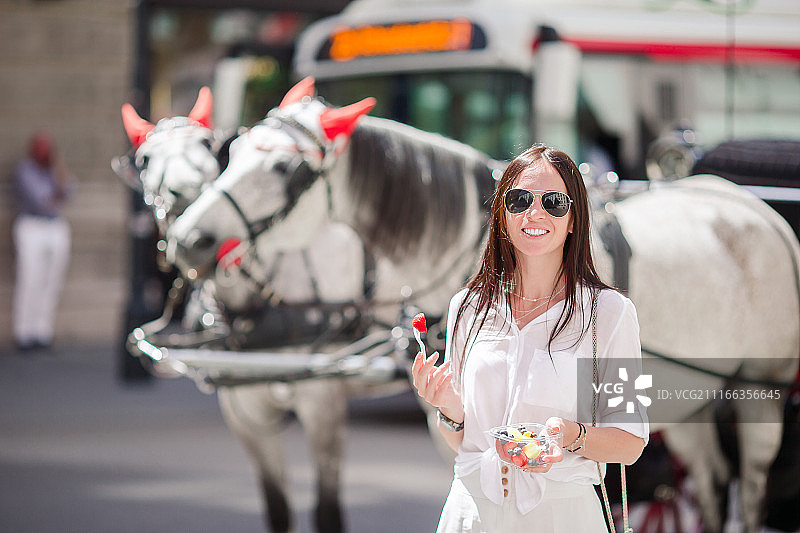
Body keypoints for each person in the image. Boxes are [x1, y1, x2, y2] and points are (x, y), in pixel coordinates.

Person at [411, 144, 648, 532]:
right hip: (471, 514)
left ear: (574, 219)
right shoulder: (467, 307)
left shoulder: (611, 313)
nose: (534, 213)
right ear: (503, 215)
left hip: (563, 517)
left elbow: (631, 442)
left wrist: (573, 437)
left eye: (554, 202)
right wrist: (450, 408)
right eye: (519, 199)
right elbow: (462, 441)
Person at [12, 130, 74, 351]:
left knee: (51, 280)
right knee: (31, 279)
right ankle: (24, 332)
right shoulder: (25, 170)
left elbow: (70, 189)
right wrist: (56, 192)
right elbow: (41, 200)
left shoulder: (54, 170)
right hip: (32, 226)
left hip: (54, 226)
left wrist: (57, 168)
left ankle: (42, 330)